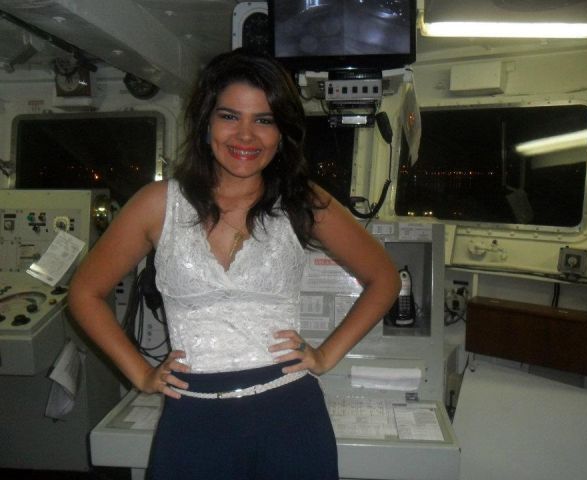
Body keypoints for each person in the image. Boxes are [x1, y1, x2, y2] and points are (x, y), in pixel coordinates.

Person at [68, 48, 401, 480]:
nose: (246, 136)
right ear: (206, 123)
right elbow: (85, 292)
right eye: (229, 116)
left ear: (281, 133)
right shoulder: (157, 203)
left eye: (264, 120)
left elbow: (385, 278)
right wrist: (141, 374)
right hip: (193, 416)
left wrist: (325, 356)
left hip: (290, 414)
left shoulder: (302, 201)